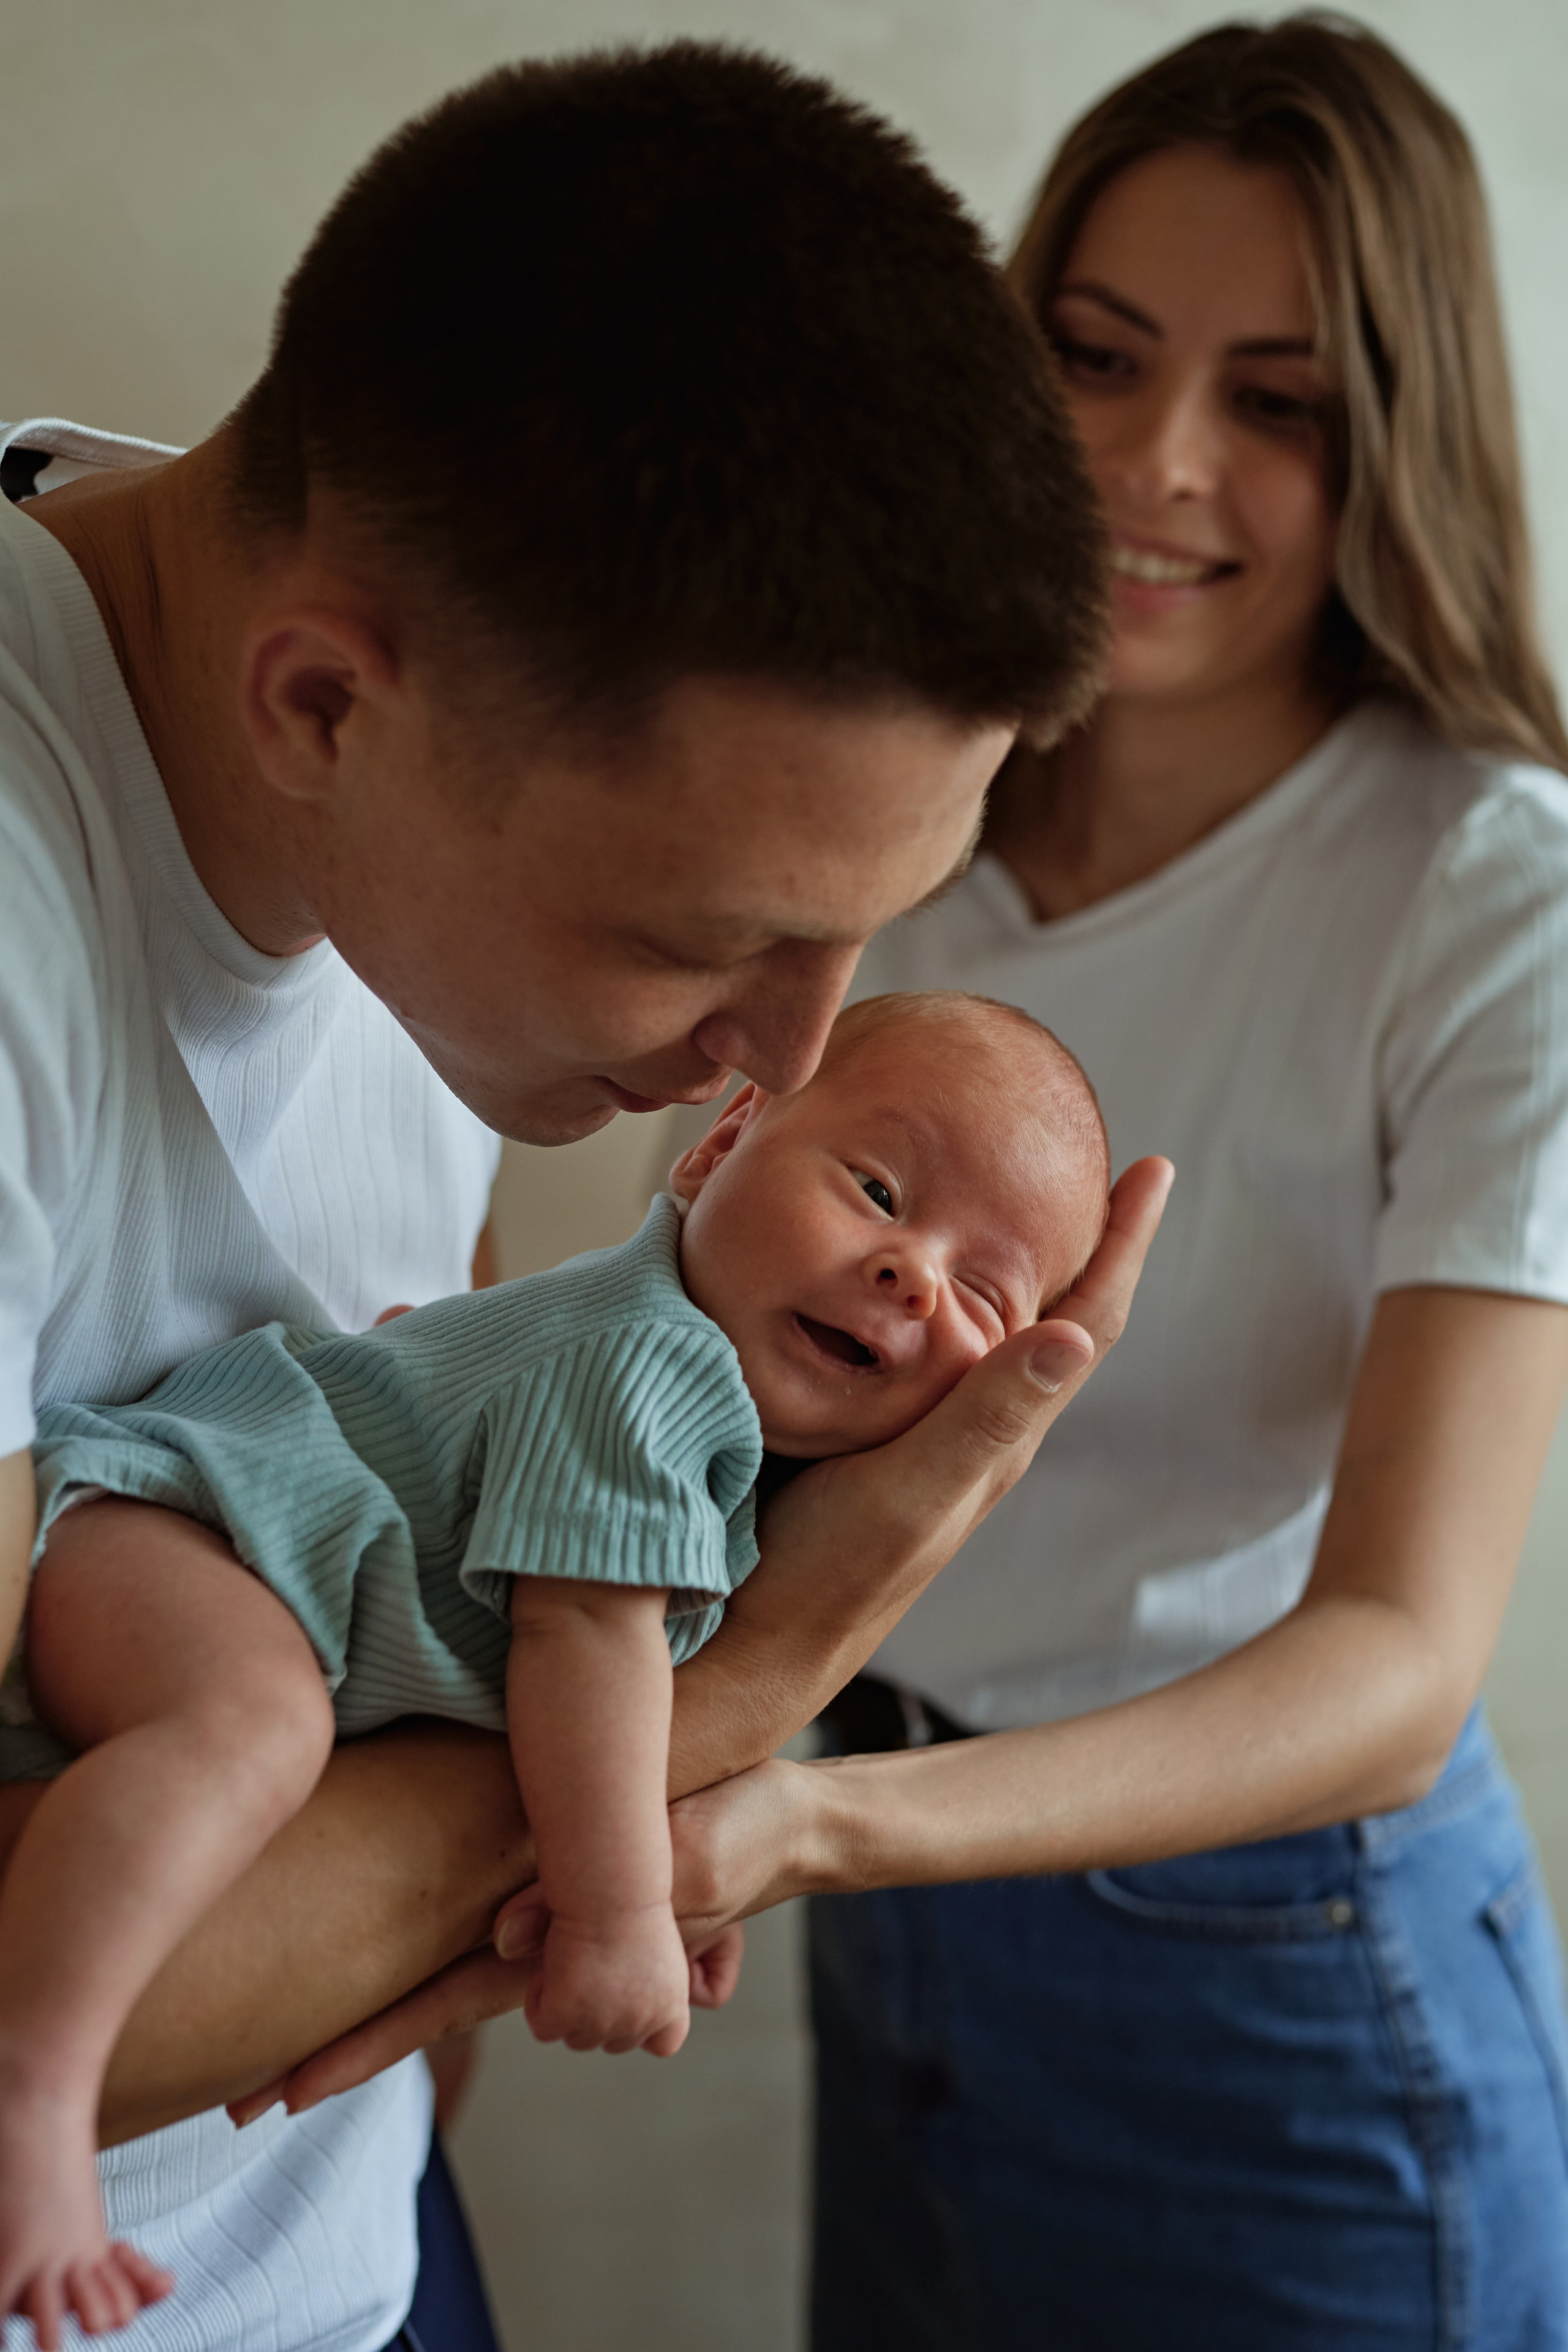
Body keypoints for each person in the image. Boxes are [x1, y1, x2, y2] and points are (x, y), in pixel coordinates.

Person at [0, 39, 1171, 2352]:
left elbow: (428, 1420)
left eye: (862, 937)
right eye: (716, 938)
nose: (785, 1065)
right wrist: (761, 1680)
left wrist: (435, 2064)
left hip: (365, 2236)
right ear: (323, 702)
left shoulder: (437, 799)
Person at [430, 18, 1568, 2349]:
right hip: (862, 1873)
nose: (1159, 466)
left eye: (1279, 398)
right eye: (1100, 357)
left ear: (1398, 437)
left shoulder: (1497, 894)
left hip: (1274, 1957)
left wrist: (804, 1816)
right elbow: (664, 1340)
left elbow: (1394, 1659)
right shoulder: (872, 799)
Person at [2, 992, 1108, 2342]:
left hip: (207, 1560)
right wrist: (616, 1907)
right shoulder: (655, 1372)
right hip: (181, 1532)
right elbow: (582, 1643)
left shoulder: (697, 1408)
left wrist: (651, 1870)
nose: (910, 1274)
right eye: (876, 1190)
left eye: (981, 1295)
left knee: (241, 1760)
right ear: (720, 1146)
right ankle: (38, 2093)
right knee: (249, 1731)